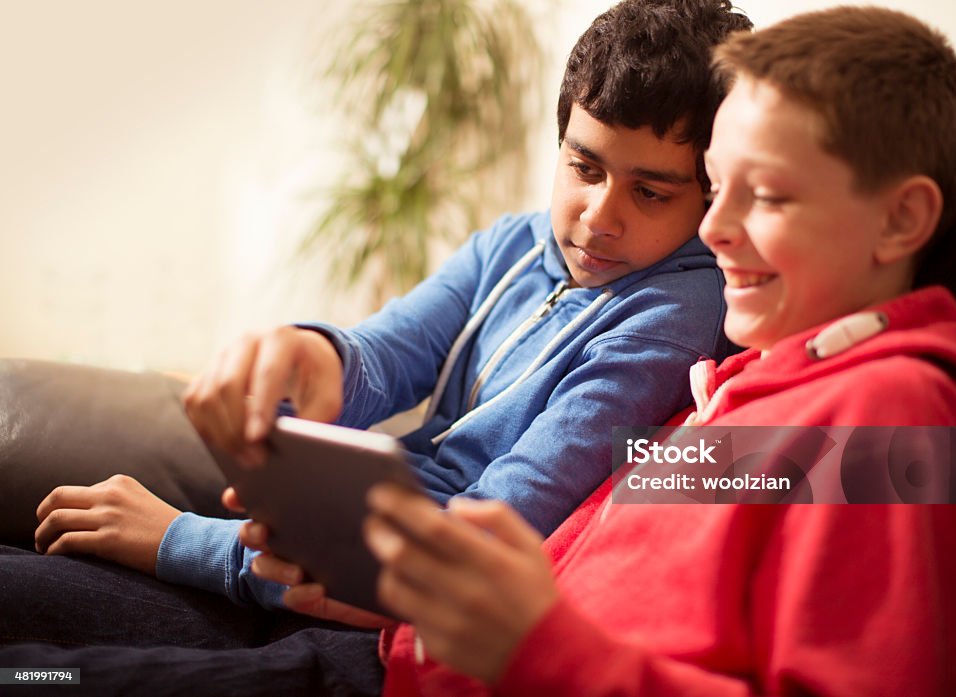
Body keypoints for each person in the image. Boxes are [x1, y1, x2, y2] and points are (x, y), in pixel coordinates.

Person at [0, 1, 751, 694]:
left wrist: (183, 540)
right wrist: (311, 358)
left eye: (650, 193)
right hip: (321, 553)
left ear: (711, 194)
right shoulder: (515, 244)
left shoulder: (675, 313)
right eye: (583, 167)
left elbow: (490, 529)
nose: (599, 216)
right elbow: (383, 354)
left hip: (369, 609)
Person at [284, 7, 956, 695]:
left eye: (769, 197)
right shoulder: (758, 378)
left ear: (901, 218)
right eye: (716, 189)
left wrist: (536, 646)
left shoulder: (906, 419)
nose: (713, 231)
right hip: (406, 649)